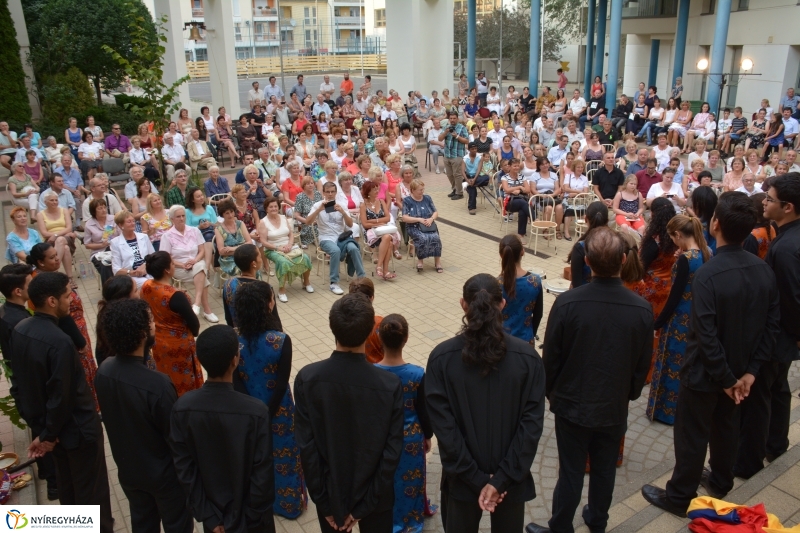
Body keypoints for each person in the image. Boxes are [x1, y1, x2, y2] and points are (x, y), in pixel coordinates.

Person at [642, 192, 780, 515]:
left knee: (691, 435)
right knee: (726, 429)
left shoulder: (708, 274)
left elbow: (704, 334)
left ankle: (679, 496)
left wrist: (728, 377)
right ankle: (720, 481)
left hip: (706, 373)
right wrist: (747, 374)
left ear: (715, 223)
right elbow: (770, 328)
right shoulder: (764, 271)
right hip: (741, 373)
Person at [526, 227, 652, 533]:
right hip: (612, 403)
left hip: (572, 404)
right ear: (623, 260)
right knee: (604, 468)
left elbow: (551, 357)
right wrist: (630, 393)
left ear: (588, 263)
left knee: (570, 470)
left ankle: (561, 526)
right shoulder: (641, 308)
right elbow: (643, 361)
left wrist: (552, 393)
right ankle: (597, 521)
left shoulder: (568, 303)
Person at [426, 274, 544, 533]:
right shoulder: (528, 359)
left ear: (463, 305)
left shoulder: (441, 359)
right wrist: (499, 480)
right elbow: (531, 426)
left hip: (461, 482)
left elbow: (444, 429)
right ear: (502, 304)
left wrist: (476, 479)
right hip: (510, 483)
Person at [10, 272, 114, 531]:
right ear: (52, 301)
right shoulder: (59, 342)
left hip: (53, 430)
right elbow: (62, 394)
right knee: (91, 493)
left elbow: (19, 387)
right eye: (67, 296)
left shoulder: (21, 329)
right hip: (76, 430)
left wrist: (43, 430)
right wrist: (49, 434)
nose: (71, 300)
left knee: (68, 489)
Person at [294, 293, 403, 533]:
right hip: (376, 496)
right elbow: (392, 451)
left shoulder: (307, 379)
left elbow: (307, 446)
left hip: (330, 492)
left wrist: (325, 504)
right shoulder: (389, 385)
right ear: (369, 333)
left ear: (332, 328)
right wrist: (364, 506)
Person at [95, 299, 194, 533]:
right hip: (163, 476)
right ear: (140, 333)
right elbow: (175, 437)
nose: (155, 325)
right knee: (177, 524)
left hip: (129, 470)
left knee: (143, 522)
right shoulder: (157, 384)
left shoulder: (105, 370)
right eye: (150, 321)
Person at [170, 325, 276, 533]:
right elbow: (262, 474)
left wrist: (209, 516)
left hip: (214, 519)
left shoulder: (182, 409)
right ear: (235, 360)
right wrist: (247, 518)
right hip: (253, 521)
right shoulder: (256, 412)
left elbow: (185, 469)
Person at [733, 175, 800, 479]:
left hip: (778, 336)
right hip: (785, 336)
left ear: (787, 207)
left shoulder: (785, 248)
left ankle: (748, 463)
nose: (765, 203)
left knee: (760, 398)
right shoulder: (788, 236)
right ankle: (776, 443)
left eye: (770, 199)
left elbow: (789, 299)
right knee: (779, 389)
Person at [234, 281, 307, 518]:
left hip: (246, 410)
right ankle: (288, 504)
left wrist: (252, 410)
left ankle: (258, 502)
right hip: (280, 411)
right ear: (268, 305)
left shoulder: (234, 343)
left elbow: (236, 383)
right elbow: (282, 380)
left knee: (254, 457)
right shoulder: (280, 340)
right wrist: (269, 411)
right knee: (285, 453)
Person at [0, 263, 60, 501]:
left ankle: (47, 473)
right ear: (17, 291)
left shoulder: (11, 313)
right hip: (32, 385)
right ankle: (54, 482)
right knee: (43, 431)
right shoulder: (16, 322)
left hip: (27, 384)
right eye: (28, 283)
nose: (32, 286)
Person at [373, 314, 437, 531]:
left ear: (379, 337)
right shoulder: (416, 374)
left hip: (382, 437)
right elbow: (423, 410)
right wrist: (427, 435)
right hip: (410, 438)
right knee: (411, 481)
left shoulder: (373, 374)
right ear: (407, 338)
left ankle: (388, 521)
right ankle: (410, 522)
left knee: (386, 481)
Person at [646, 216, 710, 426]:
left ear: (679, 235)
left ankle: (664, 410)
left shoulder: (685, 259)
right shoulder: (706, 252)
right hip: (695, 314)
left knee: (669, 362)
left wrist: (658, 322)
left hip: (678, 317)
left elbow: (675, 295)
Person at [26, 243, 98, 410]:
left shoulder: (50, 276)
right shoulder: (40, 282)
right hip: (71, 335)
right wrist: (79, 341)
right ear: (40, 262)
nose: (57, 258)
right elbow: (62, 316)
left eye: (56, 255)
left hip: (78, 329)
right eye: (52, 257)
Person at [141, 251, 203, 396]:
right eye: (173, 263)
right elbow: (194, 325)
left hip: (157, 341)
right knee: (184, 383)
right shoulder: (175, 296)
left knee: (165, 378)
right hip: (179, 345)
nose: (174, 265)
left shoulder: (146, 286)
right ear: (167, 270)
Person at [159, 206, 218, 323]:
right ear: (171, 219)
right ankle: (206, 310)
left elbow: (201, 250)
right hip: (178, 267)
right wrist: (182, 264)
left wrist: (195, 260)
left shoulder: (194, 230)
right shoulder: (167, 236)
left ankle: (197, 304)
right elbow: (167, 257)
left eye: (183, 216)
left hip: (196, 263)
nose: (181, 219)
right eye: (178, 216)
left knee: (200, 267)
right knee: (202, 273)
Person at [305, 181, 365, 294]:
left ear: (336, 193)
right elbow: (308, 222)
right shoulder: (317, 205)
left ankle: (362, 278)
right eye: (327, 192)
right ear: (323, 192)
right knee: (335, 250)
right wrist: (319, 210)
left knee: (354, 248)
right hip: (325, 238)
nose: (330, 194)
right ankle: (334, 283)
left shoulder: (341, 204)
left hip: (341, 237)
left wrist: (343, 212)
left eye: (332, 192)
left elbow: (351, 225)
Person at [497, 235, 543, 344]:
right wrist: (531, 332)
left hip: (501, 341)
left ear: (501, 255)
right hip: (525, 340)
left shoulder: (496, 283)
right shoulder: (535, 281)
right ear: (523, 251)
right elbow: (538, 314)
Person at [402, 179, 443, 273]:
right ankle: (420, 261)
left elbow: (435, 212)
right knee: (422, 238)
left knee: (436, 237)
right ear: (412, 190)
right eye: (420, 190)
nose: (422, 192)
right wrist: (419, 219)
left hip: (428, 225)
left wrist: (431, 219)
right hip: (414, 226)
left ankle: (437, 262)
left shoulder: (427, 198)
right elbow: (405, 217)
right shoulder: (407, 201)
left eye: (423, 189)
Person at [568, 202, 609, 288]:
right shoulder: (617, 244)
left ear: (586, 219)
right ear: (607, 220)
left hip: (584, 296)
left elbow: (576, 285)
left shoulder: (580, 247)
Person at [111, 210, 155, 287]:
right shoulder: (115, 242)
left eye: (133, 221)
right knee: (148, 284)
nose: (133, 223)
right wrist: (131, 272)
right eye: (129, 222)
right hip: (131, 277)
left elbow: (153, 256)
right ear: (121, 225)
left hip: (149, 271)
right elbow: (116, 269)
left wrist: (145, 265)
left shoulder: (143, 237)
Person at [216, 199, 256, 277]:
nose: (230, 215)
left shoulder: (240, 224)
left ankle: (256, 289)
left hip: (243, 256)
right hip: (228, 259)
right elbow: (221, 251)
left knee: (254, 270)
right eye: (227, 213)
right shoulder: (218, 229)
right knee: (243, 272)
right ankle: (241, 288)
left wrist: (233, 249)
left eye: (231, 212)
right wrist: (242, 248)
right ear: (222, 214)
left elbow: (249, 242)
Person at [440, 111, 469, 199]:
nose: (452, 120)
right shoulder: (446, 127)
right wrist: (445, 132)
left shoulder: (462, 128)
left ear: (457, 119)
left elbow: (467, 141)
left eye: (454, 118)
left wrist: (457, 136)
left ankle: (459, 193)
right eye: (451, 118)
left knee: (457, 175)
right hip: (447, 155)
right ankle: (455, 189)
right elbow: (439, 138)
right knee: (449, 174)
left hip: (457, 155)